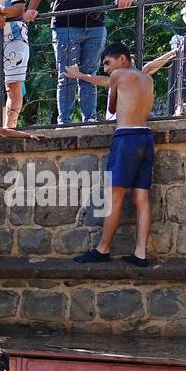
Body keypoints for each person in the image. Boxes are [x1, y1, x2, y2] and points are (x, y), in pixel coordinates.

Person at [72, 41, 156, 266]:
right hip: (146, 137)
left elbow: (111, 108)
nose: (107, 69)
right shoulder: (147, 78)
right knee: (142, 198)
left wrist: (79, 75)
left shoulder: (119, 74)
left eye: (108, 63)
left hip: (126, 137)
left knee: (115, 196)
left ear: (122, 58)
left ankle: (102, 249)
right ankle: (140, 253)